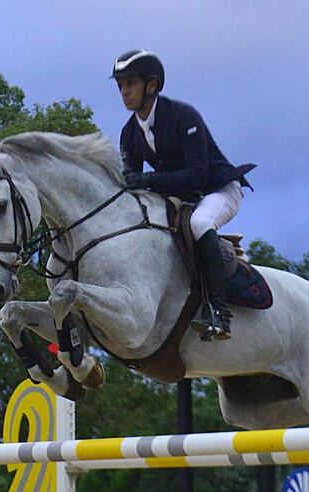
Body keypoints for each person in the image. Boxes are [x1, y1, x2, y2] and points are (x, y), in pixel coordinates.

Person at [112, 49, 255, 341]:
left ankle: (218, 311)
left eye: (131, 84)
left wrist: (148, 179)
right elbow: (134, 186)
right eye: (121, 86)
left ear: (151, 86)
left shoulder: (183, 116)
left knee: (200, 223)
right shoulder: (129, 134)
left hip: (217, 190)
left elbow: (198, 175)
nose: (125, 92)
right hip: (182, 196)